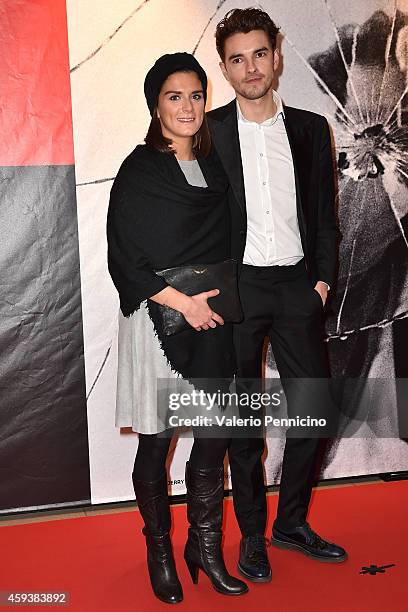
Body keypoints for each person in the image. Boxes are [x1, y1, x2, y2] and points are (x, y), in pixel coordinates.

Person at [206, 7, 347, 583]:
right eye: (237, 59)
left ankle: (291, 524)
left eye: (259, 54)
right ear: (225, 68)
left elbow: (325, 217)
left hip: (295, 287)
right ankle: (251, 538)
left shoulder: (312, 130)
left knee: (314, 410)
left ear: (277, 55)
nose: (250, 67)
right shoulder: (208, 133)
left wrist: (320, 283)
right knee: (244, 425)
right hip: (236, 292)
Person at [107, 53, 248, 604]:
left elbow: (229, 245)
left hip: (210, 320)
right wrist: (183, 303)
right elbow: (125, 260)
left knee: (214, 439)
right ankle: (160, 550)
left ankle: (205, 548)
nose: (187, 106)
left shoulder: (215, 169)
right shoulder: (140, 168)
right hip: (159, 321)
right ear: (155, 104)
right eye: (174, 96)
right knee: (157, 441)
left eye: (195, 95)